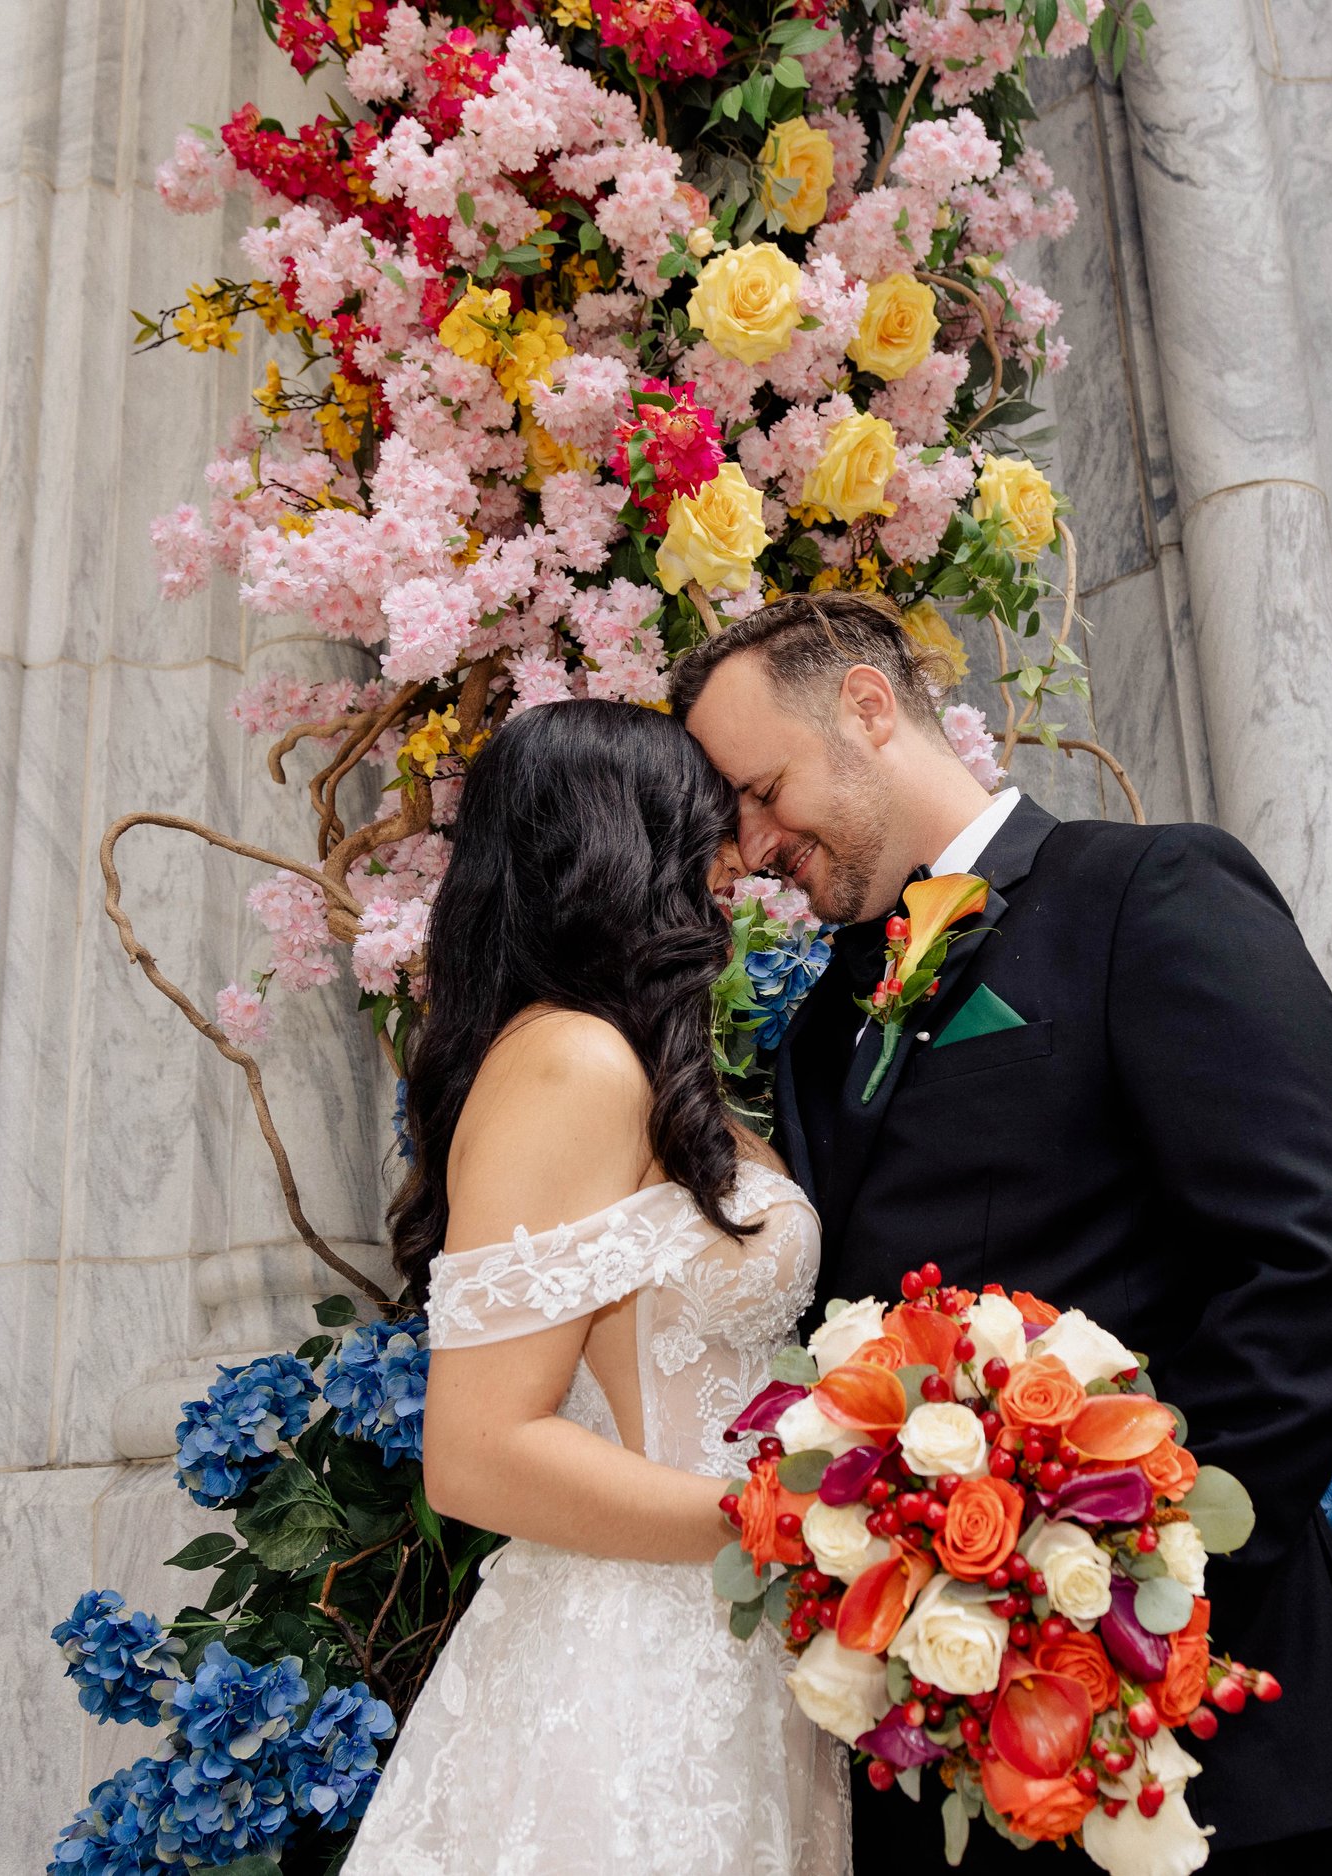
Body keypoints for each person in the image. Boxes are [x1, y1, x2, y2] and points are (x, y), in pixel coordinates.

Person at [674, 592, 1332, 1876]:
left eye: (761, 789)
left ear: (865, 707)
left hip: (1198, 1730)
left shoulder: (1148, 892)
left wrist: (1118, 1560)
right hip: (943, 1755)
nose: (750, 844)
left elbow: (1326, 1260)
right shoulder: (815, 1029)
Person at [339, 699, 848, 1876]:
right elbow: (477, 1449)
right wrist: (782, 1525)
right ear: (626, 840)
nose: (738, 853)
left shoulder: (647, 1068)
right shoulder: (571, 1060)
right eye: (707, 820)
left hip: (731, 1646)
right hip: (622, 1666)